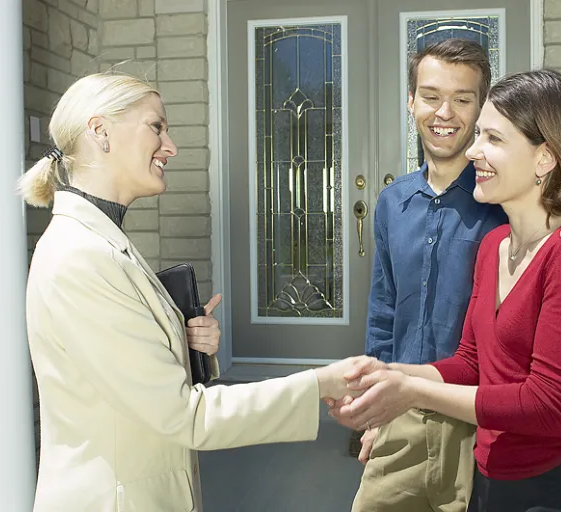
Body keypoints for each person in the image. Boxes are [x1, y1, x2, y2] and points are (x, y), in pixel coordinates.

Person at [329, 39, 561, 512]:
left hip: (527, 464)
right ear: (411, 101)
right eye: (430, 95)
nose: (473, 149)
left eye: (467, 105)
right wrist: (380, 377)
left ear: (544, 157)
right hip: (464, 451)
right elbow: (440, 343)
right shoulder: (480, 240)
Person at [18, 72, 373, 512]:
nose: (171, 146)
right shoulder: (81, 256)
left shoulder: (100, 241)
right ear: (100, 131)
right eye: (156, 126)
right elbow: (184, 416)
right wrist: (320, 383)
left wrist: (179, 344)